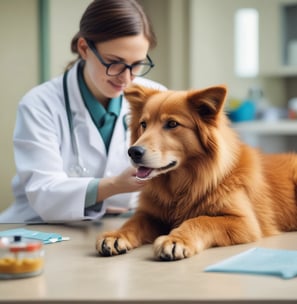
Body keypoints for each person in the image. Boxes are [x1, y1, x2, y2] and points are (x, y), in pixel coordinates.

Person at [0, 0, 166, 223]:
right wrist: (115, 186)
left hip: (124, 225)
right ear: (84, 48)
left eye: (137, 64)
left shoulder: (156, 98)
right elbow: (44, 192)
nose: (126, 78)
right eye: (114, 62)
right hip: (41, 228)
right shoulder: (40, 104)